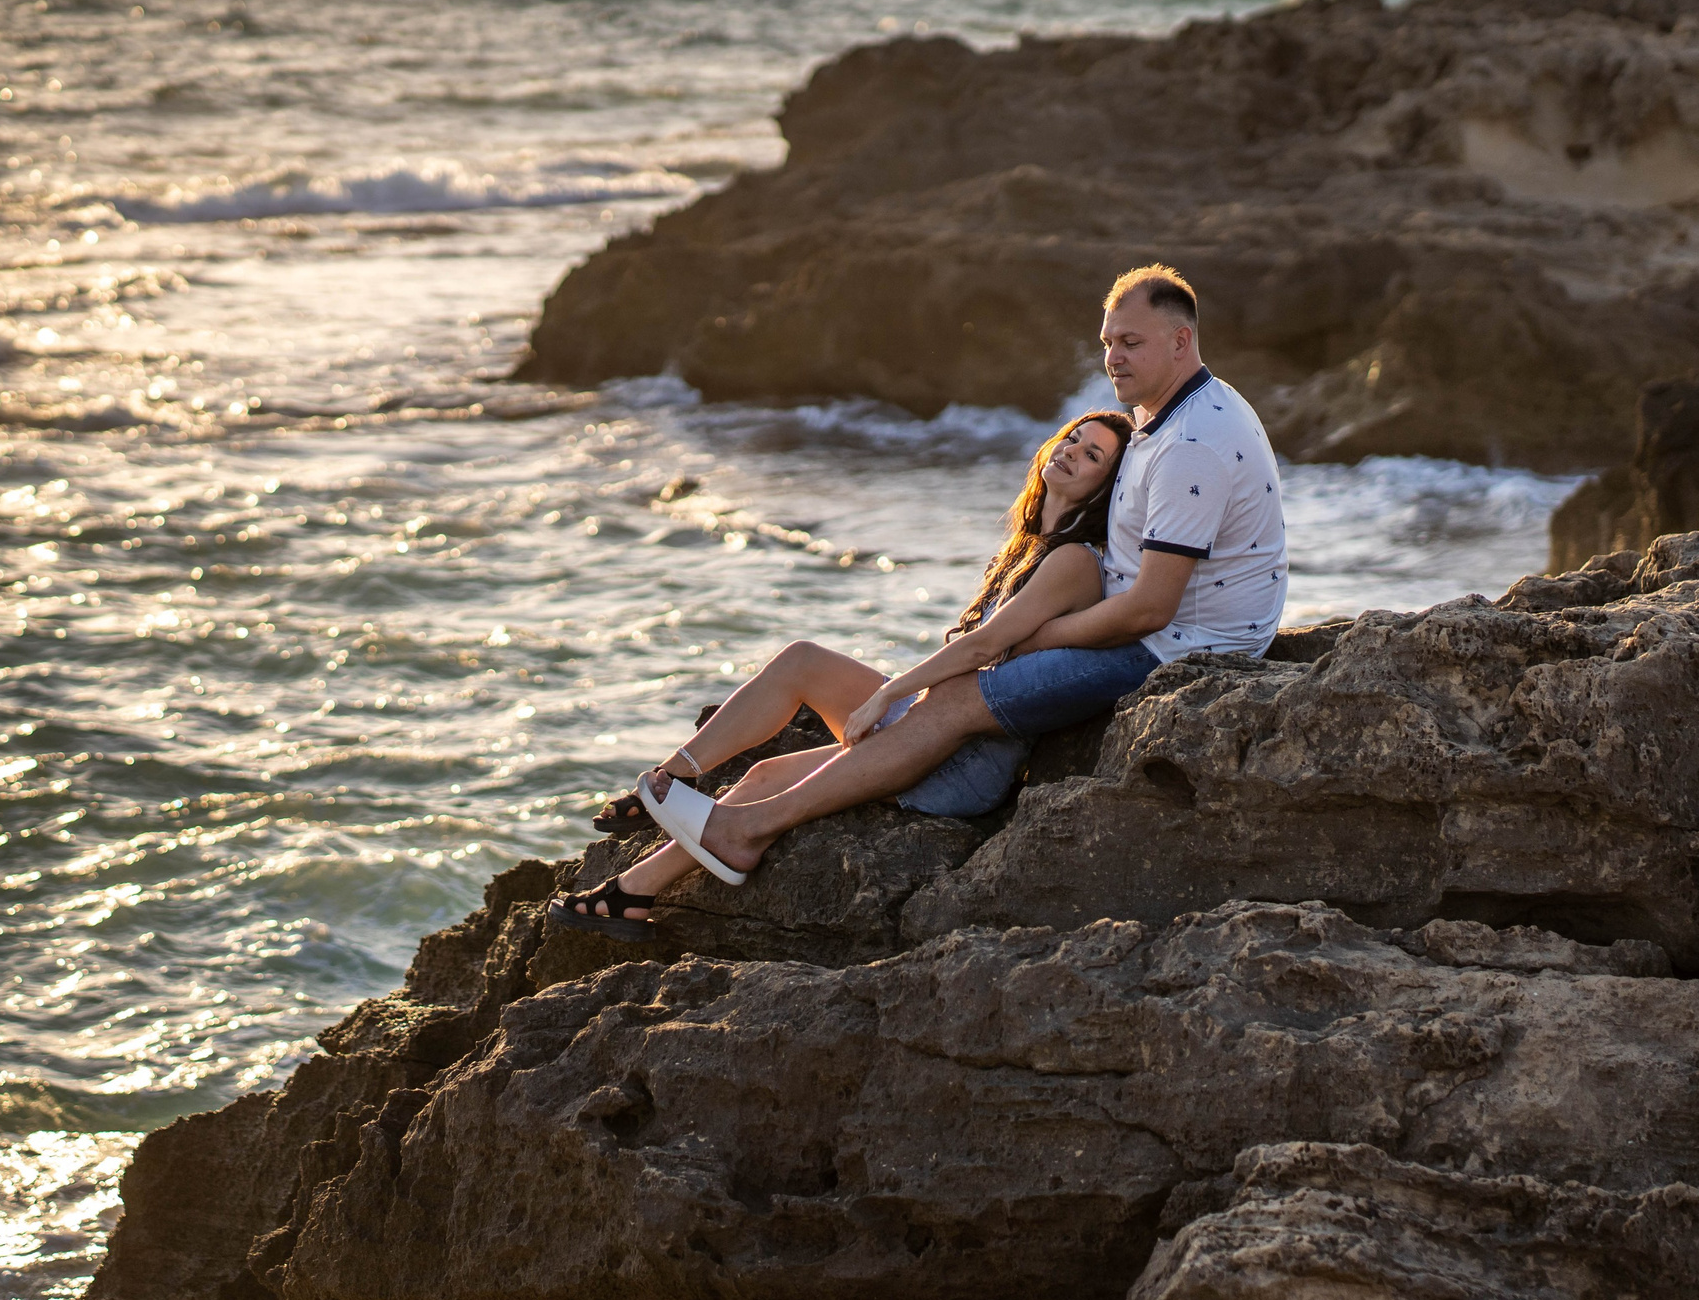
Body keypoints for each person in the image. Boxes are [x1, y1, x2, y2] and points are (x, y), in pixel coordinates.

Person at [550, 263, 1287, 936]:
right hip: (1161, 630)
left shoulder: (1189, 441)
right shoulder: (1156, 425)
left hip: (1181, 648)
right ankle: (646, 872)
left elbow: (1150, 607)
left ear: (1181, 340)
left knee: (964, 693)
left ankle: (737, 829)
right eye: (1106, 342)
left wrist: (1030, 641)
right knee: (820, 701)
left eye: (1131, 341)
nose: (1113, 357)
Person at [550, 407, 1130, 937]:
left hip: (966, 758)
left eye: (1093, 455)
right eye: (1072, 437)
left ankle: (638, 876)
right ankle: (660, 816)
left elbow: (983, 649)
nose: (1072, 450)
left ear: (1106, 488)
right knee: (798, 673)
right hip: (930, 718)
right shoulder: (1028, 543)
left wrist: (886, 696)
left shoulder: (1075, 562)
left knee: (768, 777)